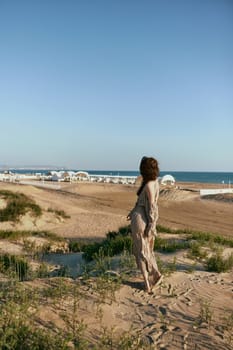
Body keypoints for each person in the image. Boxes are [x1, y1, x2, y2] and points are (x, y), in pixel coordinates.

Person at [127, 156, 162, 293]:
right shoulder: (154, 182)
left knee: (140, 251)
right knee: (146, 250)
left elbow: (152, 207)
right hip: (140, 217)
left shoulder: (148, 185)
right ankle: (154, 275)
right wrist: (132, 211)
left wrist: (151, 226)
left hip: (140, 220)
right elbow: (145, 203)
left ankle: (148, 282)